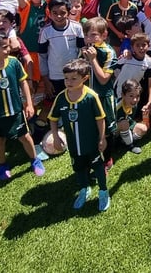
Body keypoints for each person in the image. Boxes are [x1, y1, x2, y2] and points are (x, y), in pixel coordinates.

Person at [0, 31, 44, 181]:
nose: (9, 49)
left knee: (25, 136)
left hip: (16, 111)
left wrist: (29, 103)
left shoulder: (14, 63)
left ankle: (34, 160)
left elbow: (23, 82)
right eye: (4, 47)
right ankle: (2, 165)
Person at [48, 58, 110, 212]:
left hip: (91, 143)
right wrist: (55, 137)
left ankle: (103, 191)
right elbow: (53, 118)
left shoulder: (91, 97)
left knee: (98, 167)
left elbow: (101, 119)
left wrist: (102, 138)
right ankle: (84, 189)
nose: (69, 82)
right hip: (73, 145)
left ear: (85, 78)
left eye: (74, 78)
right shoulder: (61, 98)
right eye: (66, 78)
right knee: (79, 168)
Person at [80, 17, 118, 170]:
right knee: (91, 129)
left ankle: (107, 158)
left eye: (94, 35)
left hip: (103, 96)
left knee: (106, 131)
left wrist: (93, 59)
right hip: (87, 96)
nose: (89, 39)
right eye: (87, 35)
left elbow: (103, 79)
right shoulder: (84, 50)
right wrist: (84, 58)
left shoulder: (109, 52)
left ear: (104, 35)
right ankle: (93, 157)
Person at [38, 0, 85, 117]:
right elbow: (42, 56)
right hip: (55, 76)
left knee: (74, 102)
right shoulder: (46, 31)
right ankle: (55, 128)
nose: (59, 16)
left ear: (68, 12)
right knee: (56, 105)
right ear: (49, 13)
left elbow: (82, 51)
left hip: (74, 75)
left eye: (62, 13)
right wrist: (46, 79)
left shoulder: (77, 28)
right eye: (55, 13)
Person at [115, 79, 149, 154]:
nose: (135, 99)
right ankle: (130, 145)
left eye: (137, 96)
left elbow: (130, 119)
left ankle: (124, 141)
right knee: (124, 123)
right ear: (123, 95)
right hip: (113, 131)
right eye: (131, 96)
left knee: (143, 128)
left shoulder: (134, 105)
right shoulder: (116, 106)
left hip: (125, 126)